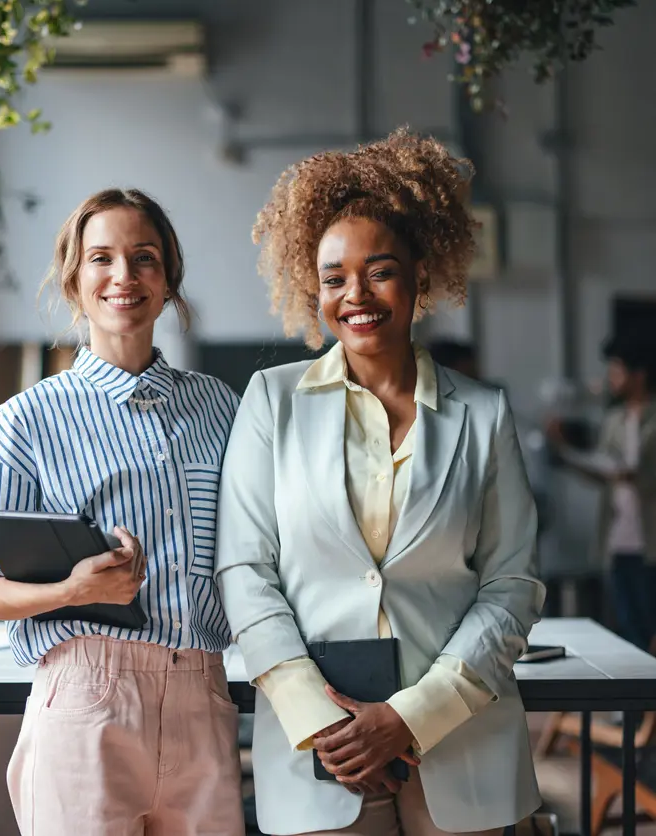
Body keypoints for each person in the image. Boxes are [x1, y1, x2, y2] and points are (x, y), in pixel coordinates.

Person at [215, 130, 545, 836]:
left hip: (464, 745)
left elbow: (511, 583)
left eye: (380, 270)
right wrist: (321, 718)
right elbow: (244, 571)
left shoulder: (483, 415)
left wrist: (409, 716)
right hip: (321, 753)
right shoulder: (268, 402)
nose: (355, 294)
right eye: (333, 277)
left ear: (420, 275)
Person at [0, 189, 245, 836]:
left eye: (143, 257)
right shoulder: (28, 419)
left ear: (169, 279)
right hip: (87, 699)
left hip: (203, 694)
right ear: (74, 280)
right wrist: (71, 590)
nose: (124, 276)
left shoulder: (219, 408)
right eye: (101, 258)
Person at [547, 334, 656, 650]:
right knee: (628, 625)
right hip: (617, 540)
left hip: (650, 542)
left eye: (617, 370)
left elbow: (635, 474)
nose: (611, 378)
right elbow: (604, 472)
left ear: (639, 374)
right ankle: (639, 697)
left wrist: (623, 472)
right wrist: (565, 451)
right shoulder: (614, 420)